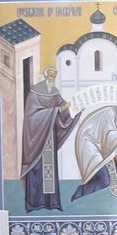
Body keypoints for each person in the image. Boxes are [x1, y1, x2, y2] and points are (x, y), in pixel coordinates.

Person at [21, 66, 77, 211]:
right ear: (45, 76)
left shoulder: (54, 92)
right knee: (37, 168)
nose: (52, 79)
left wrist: (73, 110)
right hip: (36, 138)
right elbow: (31, 116)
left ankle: (51, 202)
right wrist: (56, 110)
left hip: (49, 135)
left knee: (50, 168)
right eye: (51, 76)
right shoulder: (34, 93)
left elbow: (62, 108)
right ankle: (35, 203)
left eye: (54, 76)